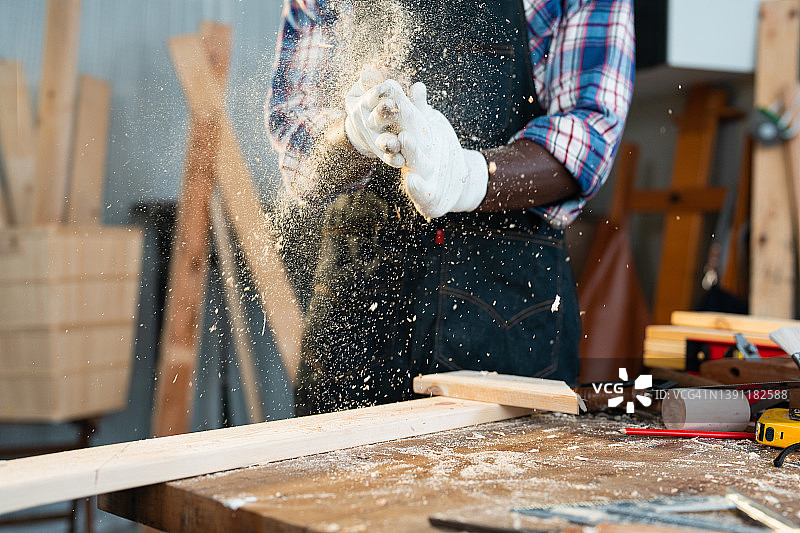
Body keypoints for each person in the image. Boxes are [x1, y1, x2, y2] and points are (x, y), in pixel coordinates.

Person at [267, 0, 635, 416]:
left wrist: (465, 177)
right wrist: (354, 135)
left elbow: (591, 133)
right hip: (358, 299)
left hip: (503, 307)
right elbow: (296, 133)